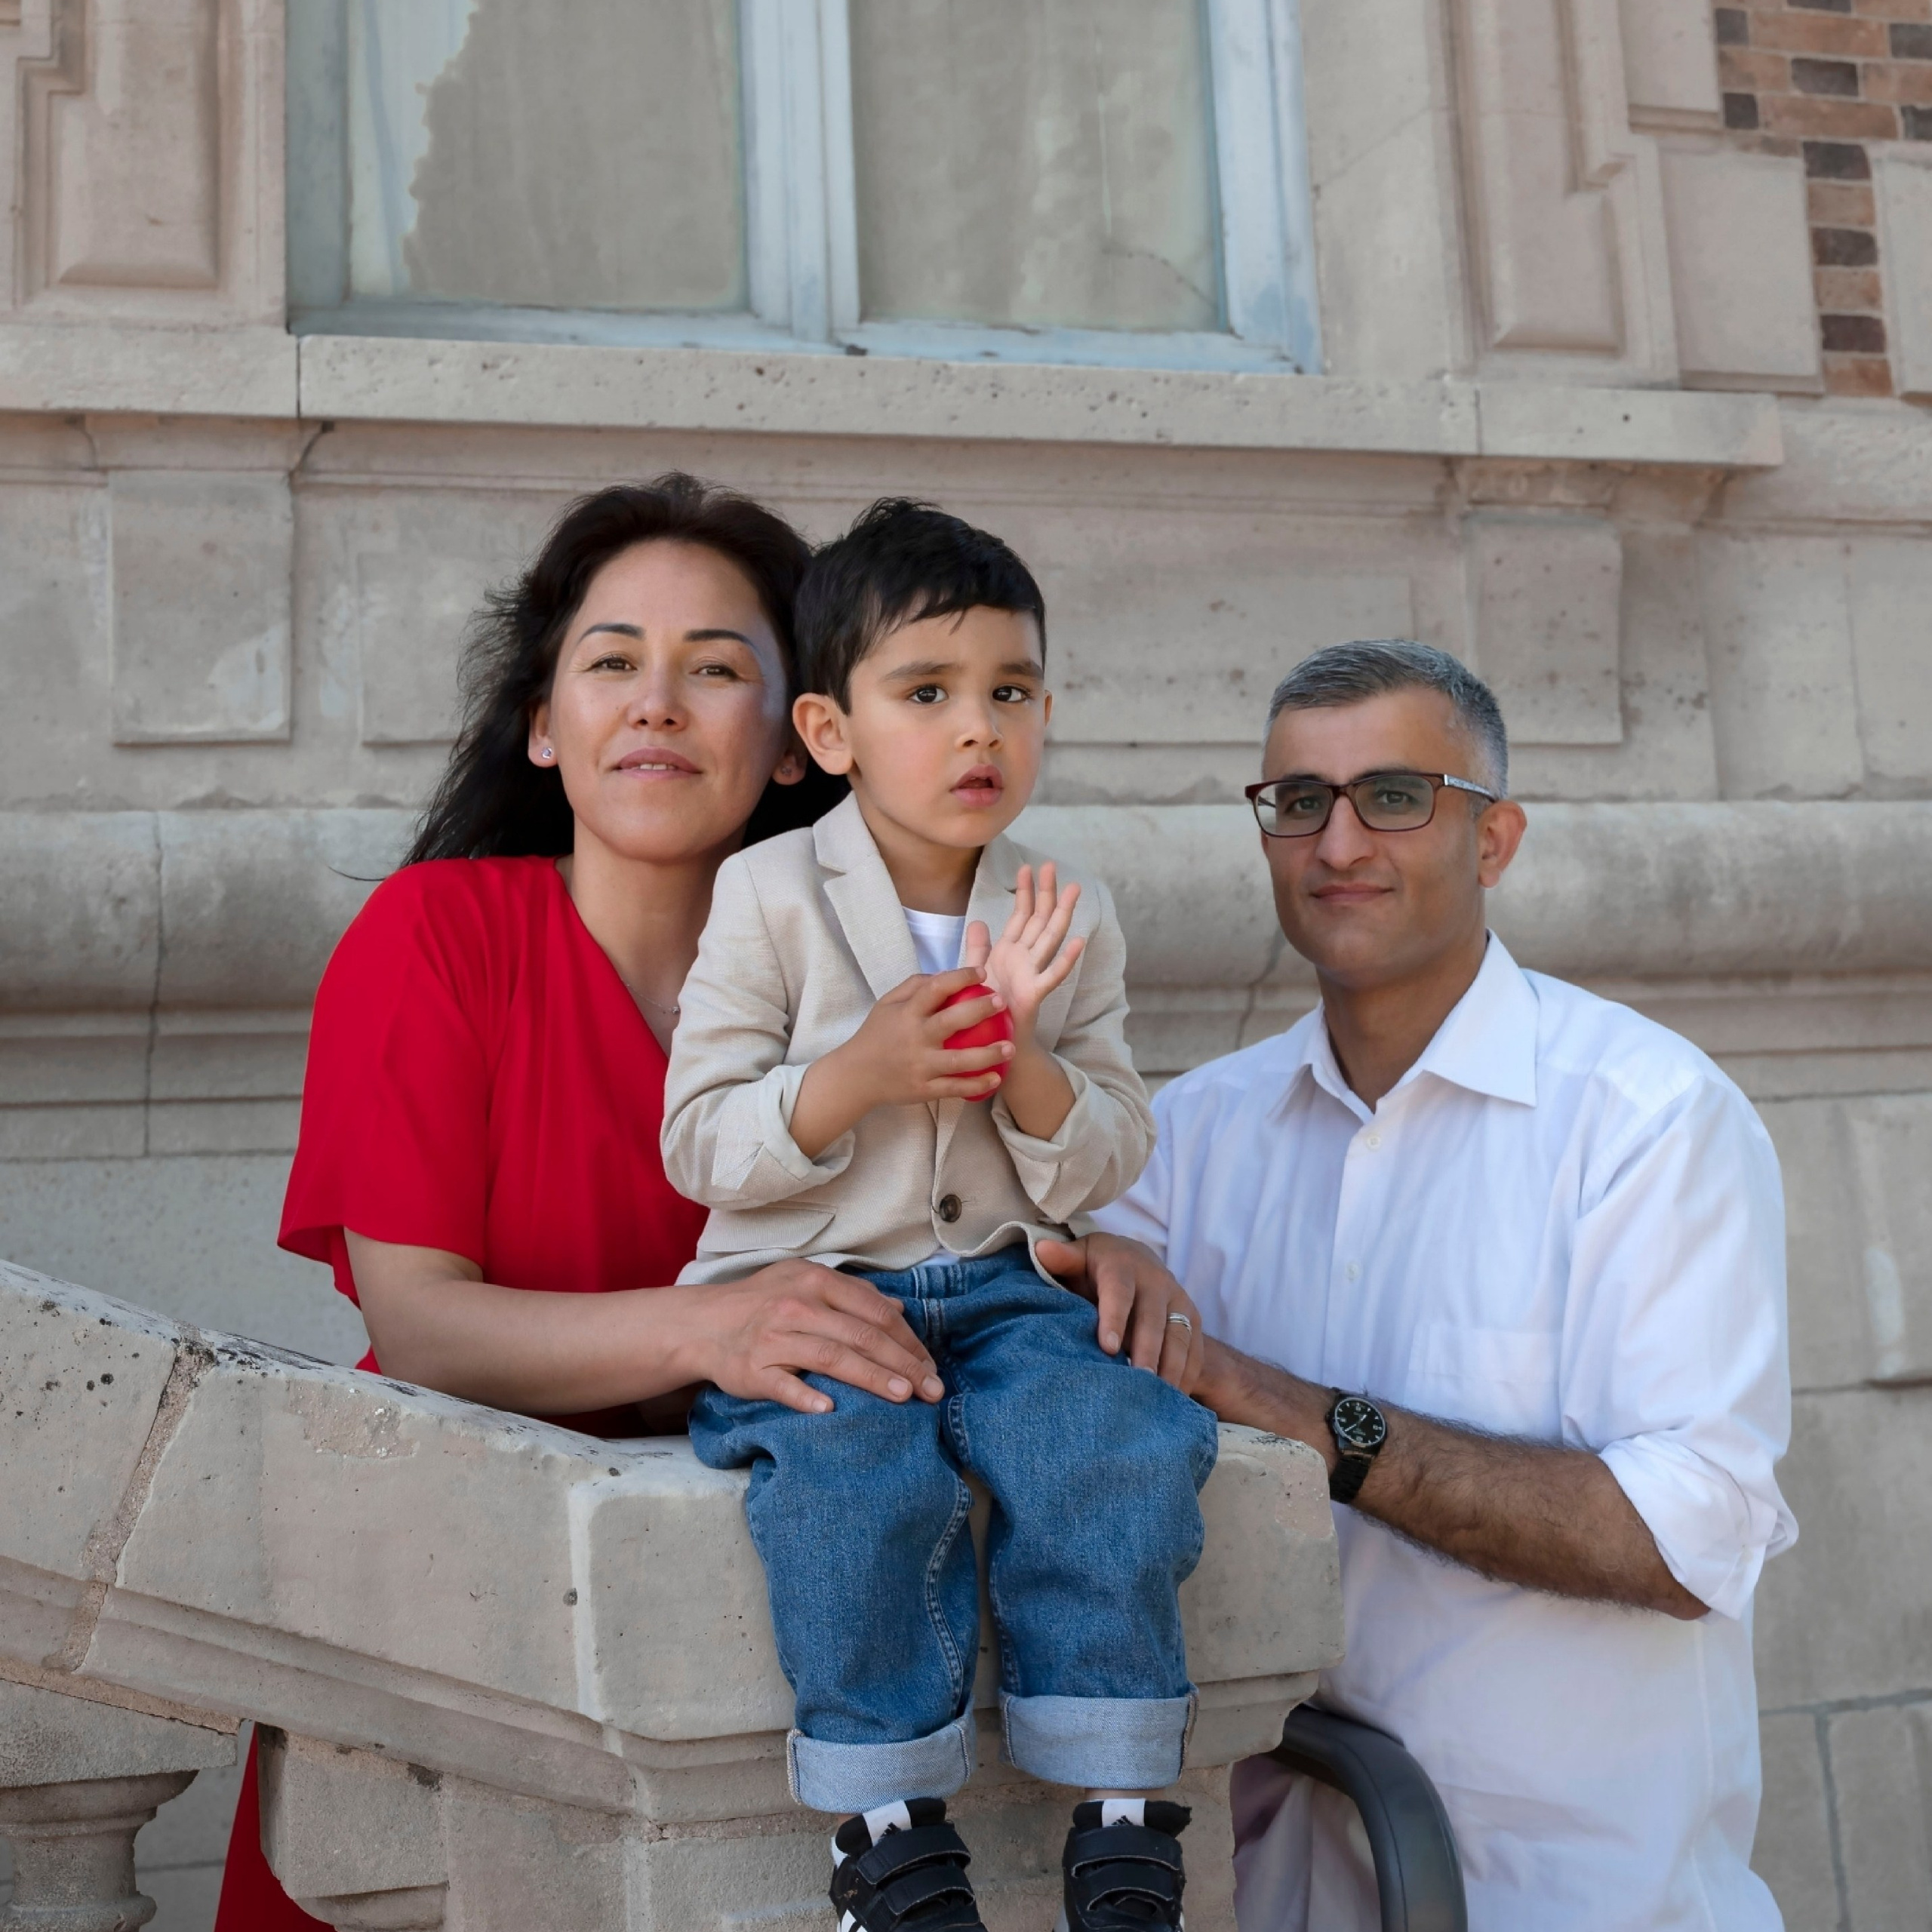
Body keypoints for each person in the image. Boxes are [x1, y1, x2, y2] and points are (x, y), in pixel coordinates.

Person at [214, 475, 936, 1929]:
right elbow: (419, 1325)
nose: (657, 703)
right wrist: (714, 1330)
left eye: (717, 667)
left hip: (753, 1661)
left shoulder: (862, 997)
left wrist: (1112, 1263)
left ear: (802, 741)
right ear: (547, 727)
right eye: (612, 662)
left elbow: (968, 1246)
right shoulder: (438, 935)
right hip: (446, 1614)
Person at [1042, 641, 1795, 1932]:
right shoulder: (1190, 1140)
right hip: (1276, 1889)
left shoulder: (1649, 1120)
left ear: (1494, 839)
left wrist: (1283, 1407)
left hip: (1577, 1897)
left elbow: (1685, 1539)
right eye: (1298, 802)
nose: (1339, 841)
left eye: (1393, 795)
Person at [661, 500, 1218, 1932]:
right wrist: (852, 1079)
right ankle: (887, 1827)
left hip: (1002, 1287)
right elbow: (697, 1141)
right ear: (832, 731)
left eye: (1011, 692)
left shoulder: (1065, 904)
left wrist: (1022, 1051)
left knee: (1118, 1438)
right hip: (820, 1291)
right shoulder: (770, 891)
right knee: (858, 1488)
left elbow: (1107, 1155)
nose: (980, 731)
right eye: (929, 694)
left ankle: (1117, 1800)